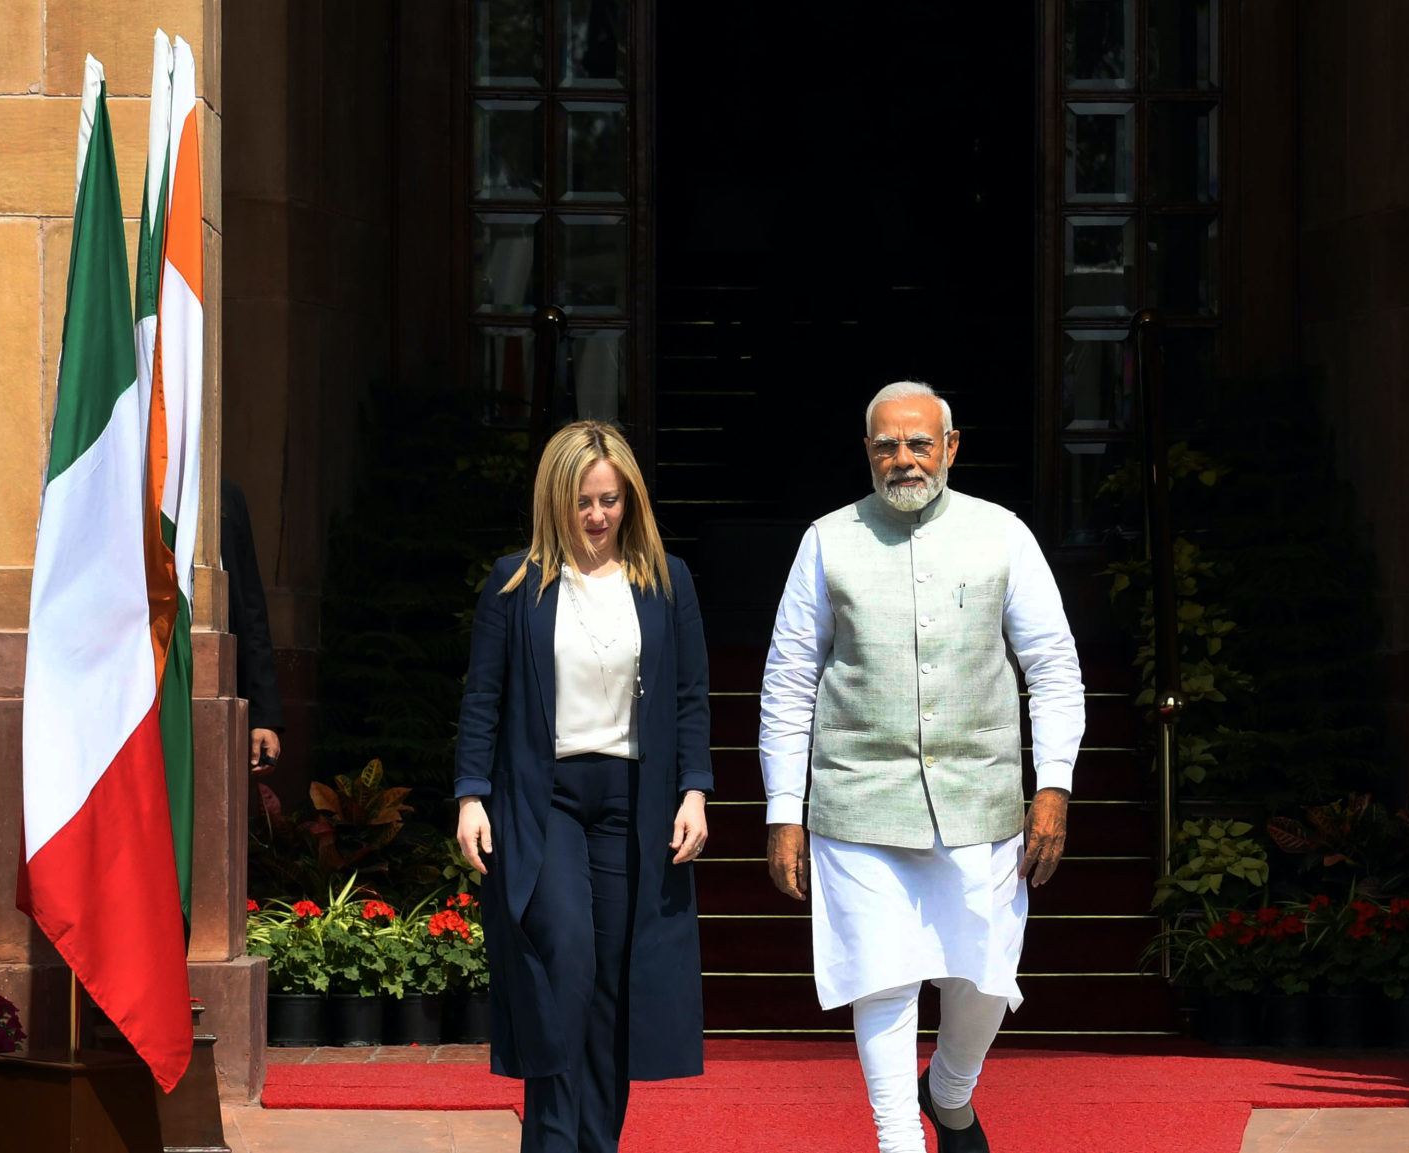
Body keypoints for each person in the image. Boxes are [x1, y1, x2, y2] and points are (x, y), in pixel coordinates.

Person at [759, 381, 1085, 1153]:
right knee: (881, 976)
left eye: (917, 443)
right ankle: (897, 1135)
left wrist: (1054, 786)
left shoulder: (1002, 533)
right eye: (885, 445)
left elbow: (1052, 665)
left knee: (984, 975)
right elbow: (788, 677)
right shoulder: (827, 539)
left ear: (951, 447)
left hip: (983, 798)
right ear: (866, 452)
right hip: (859, 799)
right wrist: (783, 808)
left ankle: (948, 1090)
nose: (902, 459)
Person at [452, 421, 711, 1153]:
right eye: (583, 502)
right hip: (547, 799)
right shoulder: (514, 583)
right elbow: (484, 698)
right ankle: (552, 1140)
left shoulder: (667, 582)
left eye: (611, 500)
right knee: (562, 959)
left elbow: (691, 694)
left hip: (634, 803)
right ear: (555, 502)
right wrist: (472, 794)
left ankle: (597, 1142)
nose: (598, 516)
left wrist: (694, 789)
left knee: (612, 982)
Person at [218, 478, 285, 774]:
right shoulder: (127, 480)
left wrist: (263, 716)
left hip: (219, 678)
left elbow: (250, 607)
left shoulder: (225, 495)